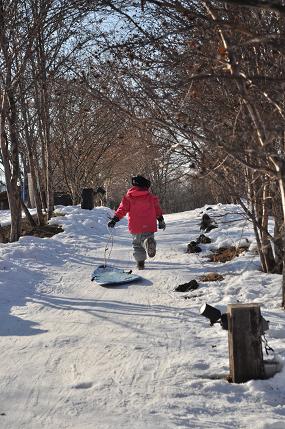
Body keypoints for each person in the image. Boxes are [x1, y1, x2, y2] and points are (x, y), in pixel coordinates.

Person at [107, 175, 166, 270]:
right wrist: (160, 220)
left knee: (137, 245)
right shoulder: (151, 197)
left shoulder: (128, 197)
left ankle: (140, 263)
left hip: (135, 227)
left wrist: (115, 219)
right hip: (149, 225)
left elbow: (122, 209)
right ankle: (148, 242)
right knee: (146, 238)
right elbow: (157, 209)